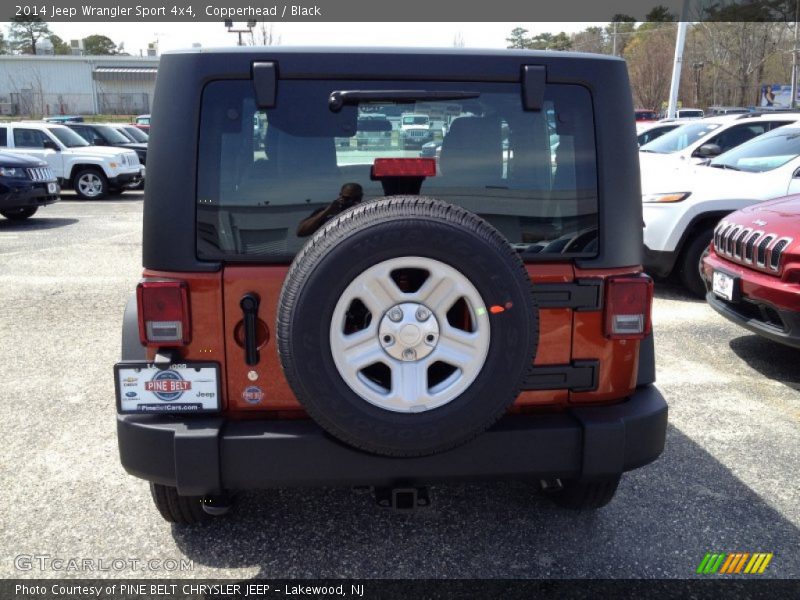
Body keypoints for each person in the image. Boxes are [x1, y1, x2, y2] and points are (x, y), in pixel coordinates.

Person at [296, 182, 364, 237]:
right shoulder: (326, 213)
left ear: (361, 197)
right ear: (340, 195)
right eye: (347, 198)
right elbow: (301, 232)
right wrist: (326, 212)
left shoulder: (365, 212)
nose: (351, 201)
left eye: (356, 198)